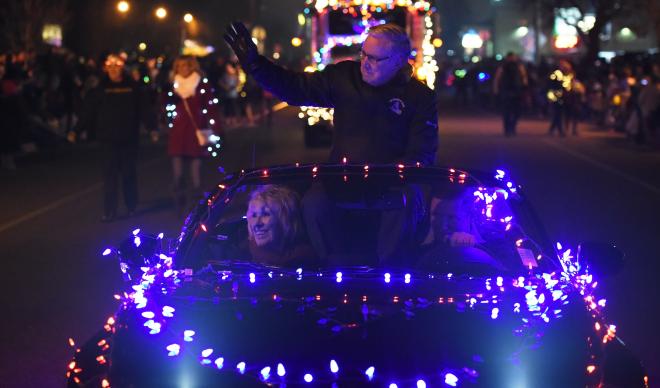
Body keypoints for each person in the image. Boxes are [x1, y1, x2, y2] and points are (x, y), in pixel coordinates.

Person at [224, 21, 438, 165]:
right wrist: (255, 65)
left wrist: (401, 185)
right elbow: (295, 87)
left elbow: (422, 152)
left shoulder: (419, 96)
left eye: (375, 59)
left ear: (399, 61)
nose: (366, 64)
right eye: (364, 55)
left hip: (393, 191)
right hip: (341, 183)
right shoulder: (344, 76)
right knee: (310, 207)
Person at [70, 54, 157, 222]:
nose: (114, 70)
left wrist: (152, 128)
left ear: (122, 69)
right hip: (107, 139)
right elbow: (88, 112)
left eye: (117, 67)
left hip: (128, 138)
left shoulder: (133, 88)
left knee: (128, 174)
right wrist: (76, 130)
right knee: (109, 176)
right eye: (110, 67)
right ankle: (110, 210)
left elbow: (144, 109)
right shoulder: (100, 89)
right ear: (106, 69)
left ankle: (131, 205)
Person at [164, 55, 221, 211]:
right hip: (178, 133)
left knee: (197, 174)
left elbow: (211, 107)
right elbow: (163, 104)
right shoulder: (172, 85)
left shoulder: (201, 84)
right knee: (178, 175)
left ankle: (198, 207)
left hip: (196, 133)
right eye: (180, 66)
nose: (184, 68)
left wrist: (216, 130)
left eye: (187, 65)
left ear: (192, 67)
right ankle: (179, 200)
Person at [417, 191, 506, 272]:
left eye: (452, 218)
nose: (442, 224)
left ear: (469, 219)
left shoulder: (497, 250)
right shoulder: (419, 252)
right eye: (437, 216)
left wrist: (473, 251)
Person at [245, 185, 318, 267]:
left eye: (265, 214)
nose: (257, 223)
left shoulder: (309, 263)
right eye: (254, 215)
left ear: (285, 219)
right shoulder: (241, 261)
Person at [493, 52, 528, 137]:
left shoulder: (519, 66)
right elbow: (497, 78)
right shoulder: (504, 67)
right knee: (508, 112)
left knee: (516, 111)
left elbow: (524, 77)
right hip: (508, 91)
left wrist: (524, 87)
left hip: (515, 91)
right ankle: (508, 129)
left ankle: (511, 127)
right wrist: (496, 88)